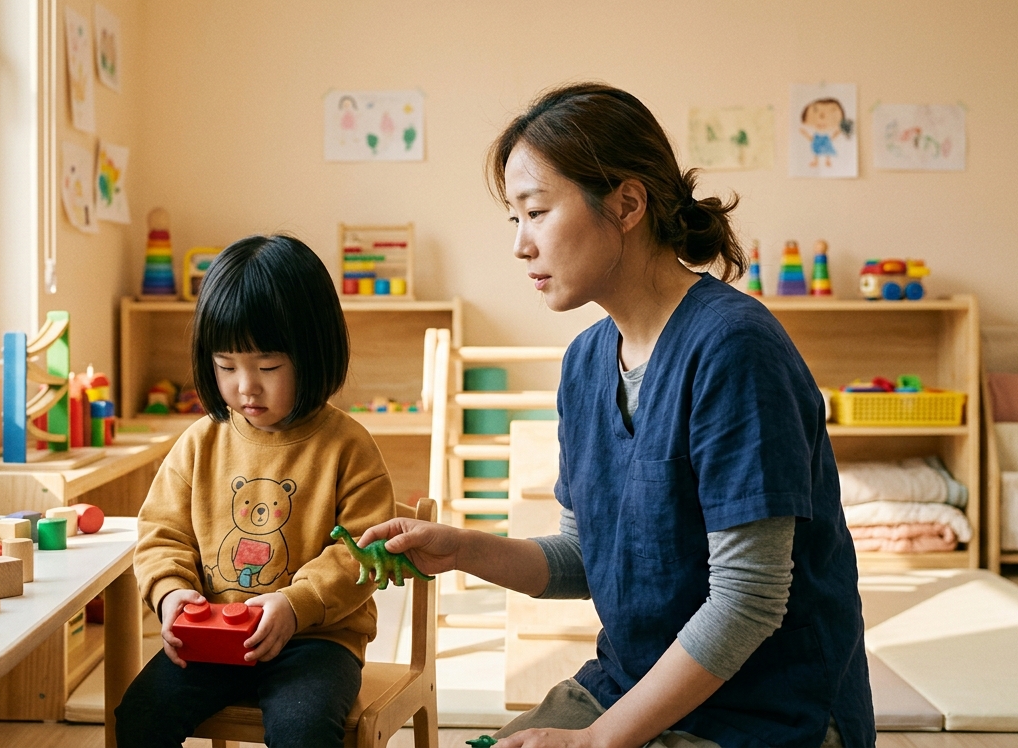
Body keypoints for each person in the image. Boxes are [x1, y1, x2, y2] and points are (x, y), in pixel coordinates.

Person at [360, 83, 873, 748]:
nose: (520, 245)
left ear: (627, 204)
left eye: (537, 212)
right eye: (513, 219)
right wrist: (463, 549)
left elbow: (749, 599)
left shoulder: (734, 349)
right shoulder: (584, 363)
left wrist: (597, 741)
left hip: (767, 710)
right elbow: (586, 559)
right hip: (631, 682)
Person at [116, 234, 397, 748]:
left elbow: (363, 552)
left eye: (267, 367)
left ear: (313, 353)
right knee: (138, 717)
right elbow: (160, 535)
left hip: (315, 641)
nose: (246, 386)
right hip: (212, 636)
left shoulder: (348, 446)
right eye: (227, 367)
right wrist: (171, 593)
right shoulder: (200, 442)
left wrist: (295, 604)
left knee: (303, 731)